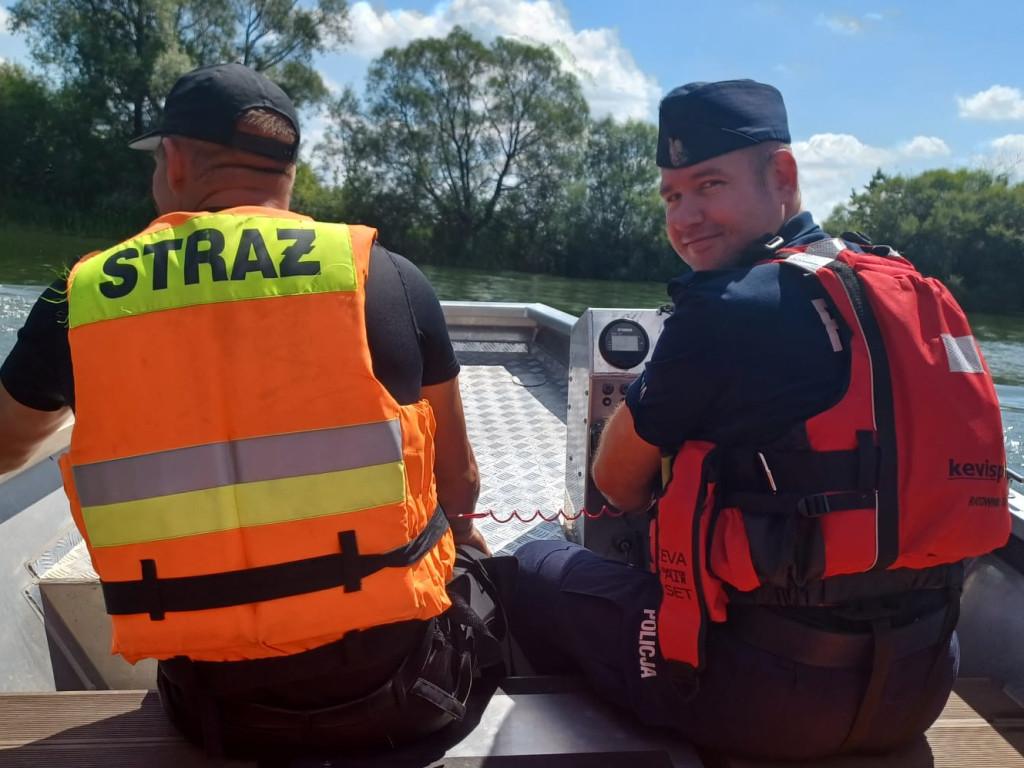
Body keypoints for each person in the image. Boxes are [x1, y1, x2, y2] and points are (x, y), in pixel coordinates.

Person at [0, 62, 497, 758]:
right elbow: (460, 484)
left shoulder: (77, 302)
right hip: (403, 694)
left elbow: (7, 448)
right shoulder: (386, 278)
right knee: (498, 577)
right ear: (288, 172)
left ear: (173, 161)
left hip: (215, 709)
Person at [510, 79, 1011, 759]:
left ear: (783, 175)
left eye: (707, 184)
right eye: (671, 196)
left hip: (762, 705)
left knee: (535, 558)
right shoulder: (911, 290)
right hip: (919, 687)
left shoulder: (724, 307)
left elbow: (617, 484)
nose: (685, 217)